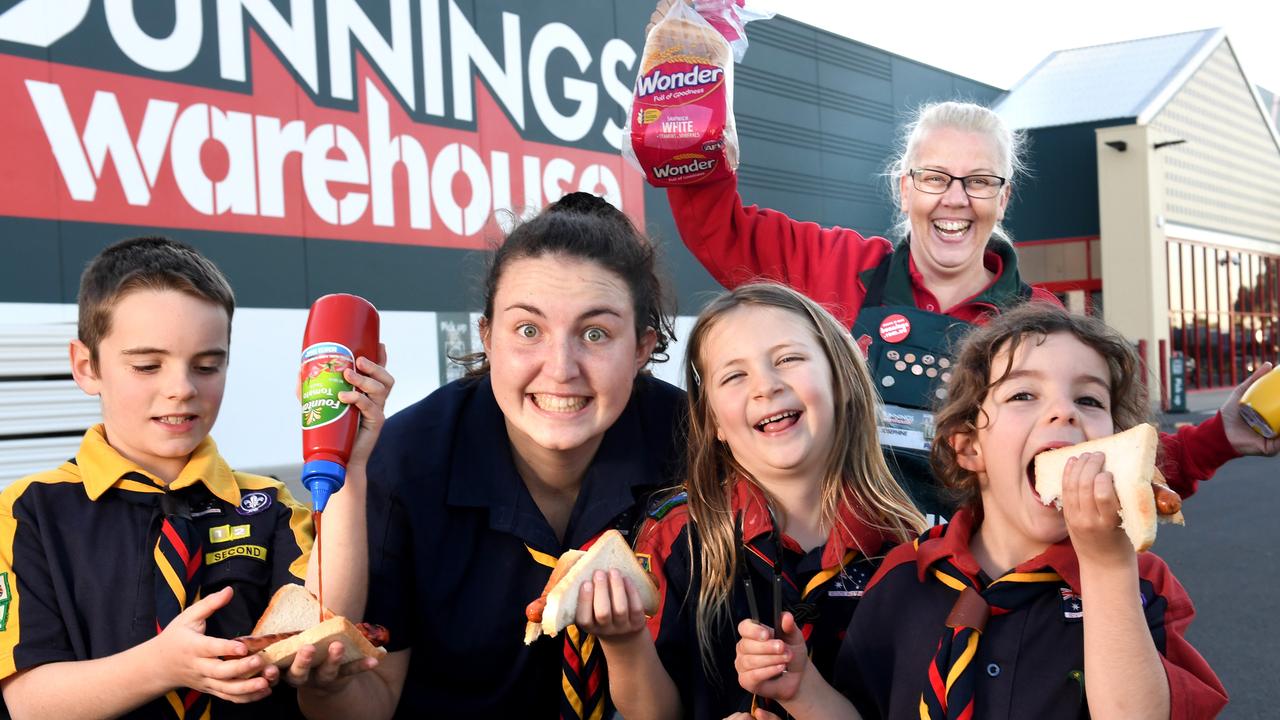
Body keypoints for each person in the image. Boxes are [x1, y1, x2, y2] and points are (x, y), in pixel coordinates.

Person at [665, 99, 1269, 516]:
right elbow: (714, 225)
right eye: (935, 178)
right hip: (831, 569)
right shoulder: (835, 265)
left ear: (1002, 199)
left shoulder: (1042, 321)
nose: (955, 200)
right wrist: (691, 87)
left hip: (966, 590)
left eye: (980, 181)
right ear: (904, 186)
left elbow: (1106, 455)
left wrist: (1223, 435)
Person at [731, 303, 1228, 720]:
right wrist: (804, 693)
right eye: (1023, 394)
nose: (1065, 412)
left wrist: (1104, 567)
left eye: (1089, 398)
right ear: (968, 448)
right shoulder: (901, 576)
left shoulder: (1141, 584)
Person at [295, 192, 685, 719]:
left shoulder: (694, 446)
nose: (560, 367)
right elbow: (372, 701)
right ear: (487, 335)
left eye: (595, 333)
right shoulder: (406, 462)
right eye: (529, 330)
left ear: (641, 349)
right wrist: (326, 684)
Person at [0, 236, 387, 718]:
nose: (181, 389)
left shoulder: (268, 504)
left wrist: (347, 462)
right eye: (147, 366)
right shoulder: (29, 511)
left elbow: (328, 620)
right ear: (86, 366)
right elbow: (27, 702)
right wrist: (161, 666)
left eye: (207, 365)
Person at [578, 282, 925, 720]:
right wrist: (624, 642)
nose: (766, 387)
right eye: (734, 375)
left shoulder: (906, 549)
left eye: (788, 359)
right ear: (713, 421)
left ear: (843, 380)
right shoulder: (673, 536)